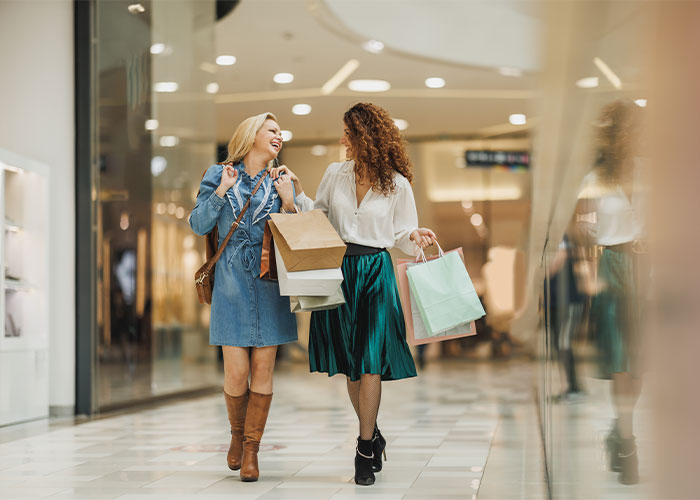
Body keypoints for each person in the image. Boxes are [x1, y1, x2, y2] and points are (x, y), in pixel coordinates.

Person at [272, 102, 436, 486]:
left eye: (348, 132)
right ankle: (373, 432)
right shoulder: (335, 173)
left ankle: (364, 448)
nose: (342, 138)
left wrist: (415, 236)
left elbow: (402, 232)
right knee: (350, 363)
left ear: (366, 136)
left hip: (377, 272)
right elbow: (322, 217)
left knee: (370, 361)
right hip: (341, 271)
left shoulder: (397, 183)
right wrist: (295, 196)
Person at [189, 112, 297, 483]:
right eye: (272, 130)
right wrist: (221, 193)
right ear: (251, 135)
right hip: (232, 282)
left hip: (269, 281)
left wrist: (290, 203)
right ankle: (236, 435)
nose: (278, 136)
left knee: (264, 370)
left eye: (280, 132)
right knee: (236, 372)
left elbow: (296, 234)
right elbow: (198, 223)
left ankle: (252, 450)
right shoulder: (218, 174)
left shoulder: (282, 179)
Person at [578, 99, 647, 485]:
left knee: (639, 363)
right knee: (622, 357)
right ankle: (626, 438)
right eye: (626, 129)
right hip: (616, 266)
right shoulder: (595, 178)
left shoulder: (653, 172)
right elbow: (581, 223)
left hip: (650, 267)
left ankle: (621, 430)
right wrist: (598, 241)